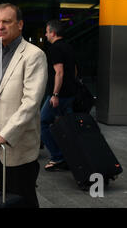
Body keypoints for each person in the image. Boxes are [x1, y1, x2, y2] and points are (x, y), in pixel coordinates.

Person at [0, 3, 47, 208]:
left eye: (6, 22)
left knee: (21, 200)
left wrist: (5, 135)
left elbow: (31, 103)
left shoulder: (33, 55)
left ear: (19, 25)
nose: (0, 26)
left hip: (14, 144)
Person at [41, 19, 77, 171]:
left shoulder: (54, 49)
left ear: (53, 33)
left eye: (47, 32)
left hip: (59, 96)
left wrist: (55, 94)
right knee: (68, 127)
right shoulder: (69, 47)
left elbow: (59, 72)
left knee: (42, 122)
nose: (45, 34)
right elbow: (75, 70)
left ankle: (57, 157)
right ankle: (70, 156)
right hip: (70, 94)